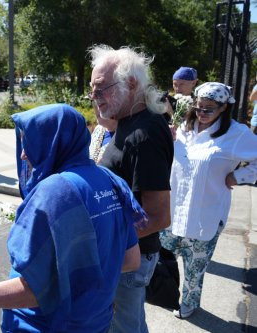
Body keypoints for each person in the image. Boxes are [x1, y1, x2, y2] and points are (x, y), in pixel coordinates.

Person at [0, 103, 146, 332]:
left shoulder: (55, 191)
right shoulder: (109, 180)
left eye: (30, 142)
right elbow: (131, 260)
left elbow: (33, 291)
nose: (23, 153)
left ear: (53, 142)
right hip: (95, 322)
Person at [88, 45, 174, 333]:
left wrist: (101, 244)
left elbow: (159, 216)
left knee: (121, 327)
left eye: (101, 89)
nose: (93, 97)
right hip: (127, 254)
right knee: (131, 322)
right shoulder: (129, 122)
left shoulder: (143, 134)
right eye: (91, 90)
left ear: (132, 83)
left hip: (128, 258)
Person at [160, 82, 257, 319]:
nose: (202, 113)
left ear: (224, 108)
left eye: (209, 109)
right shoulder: (184, 128)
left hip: (205, 214)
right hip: (173, 211)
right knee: (160, 261)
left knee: (195, 270)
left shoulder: (236, 134)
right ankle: (163, 294)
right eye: (199, 107)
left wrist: (239, 176)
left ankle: (189, 304)